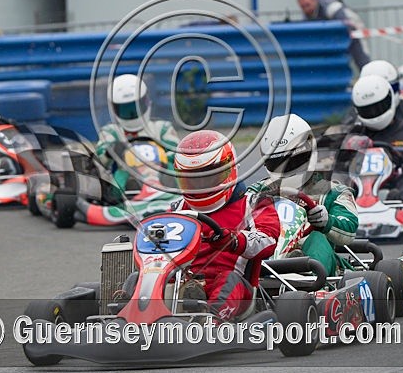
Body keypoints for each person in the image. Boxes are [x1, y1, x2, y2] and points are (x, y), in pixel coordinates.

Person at [173, 130, 280, 321]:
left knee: (228, 280)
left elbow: (268, 239)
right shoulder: (178, 208)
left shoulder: (254, 203)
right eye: (192, 180)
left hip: (235, 286)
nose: (201, 187)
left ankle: (211, 322)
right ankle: (131, 315)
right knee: (144, 277)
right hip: (185, 282)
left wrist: (233, 240)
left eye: (207, 178)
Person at [247, 114, 358, 278]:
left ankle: (305, 273)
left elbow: (349, 231)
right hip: (264, 252)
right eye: (279, 163)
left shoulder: (332, 192)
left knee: (317, 237)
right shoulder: (257, 191)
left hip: (312, 262)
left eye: (293, 161)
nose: (287, 170)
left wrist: (327, 222)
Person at [350, 74, 403, 209]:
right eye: (368, 110)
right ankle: (342, 210)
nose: (374, 113)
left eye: (378, 107)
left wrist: (400, 168)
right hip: (359, 188)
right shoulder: (354, 135)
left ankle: (399, 206)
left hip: (398, 186)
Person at [95, 74, 179, 190]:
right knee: (118, 172)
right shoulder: (111, 132)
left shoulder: (162, 128)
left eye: (136, 107)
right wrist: (112, 152)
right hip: (128, 177)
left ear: (146, 101)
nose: (132, 113)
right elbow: (100, 161)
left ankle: (175, 193)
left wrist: (160, 157)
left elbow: (178, 156)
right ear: (115, 109)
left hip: (161, 174)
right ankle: (123, 196)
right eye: (126, 109)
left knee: (173, 169)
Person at [297, 0, 370, 70]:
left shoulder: (332, 6)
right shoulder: (306, 16)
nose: (306, 9)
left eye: (308, 5)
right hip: (336, 37)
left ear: (314, 0)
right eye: (303, 7)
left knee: (361, 58)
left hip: (353, 29)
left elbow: (346, 23)